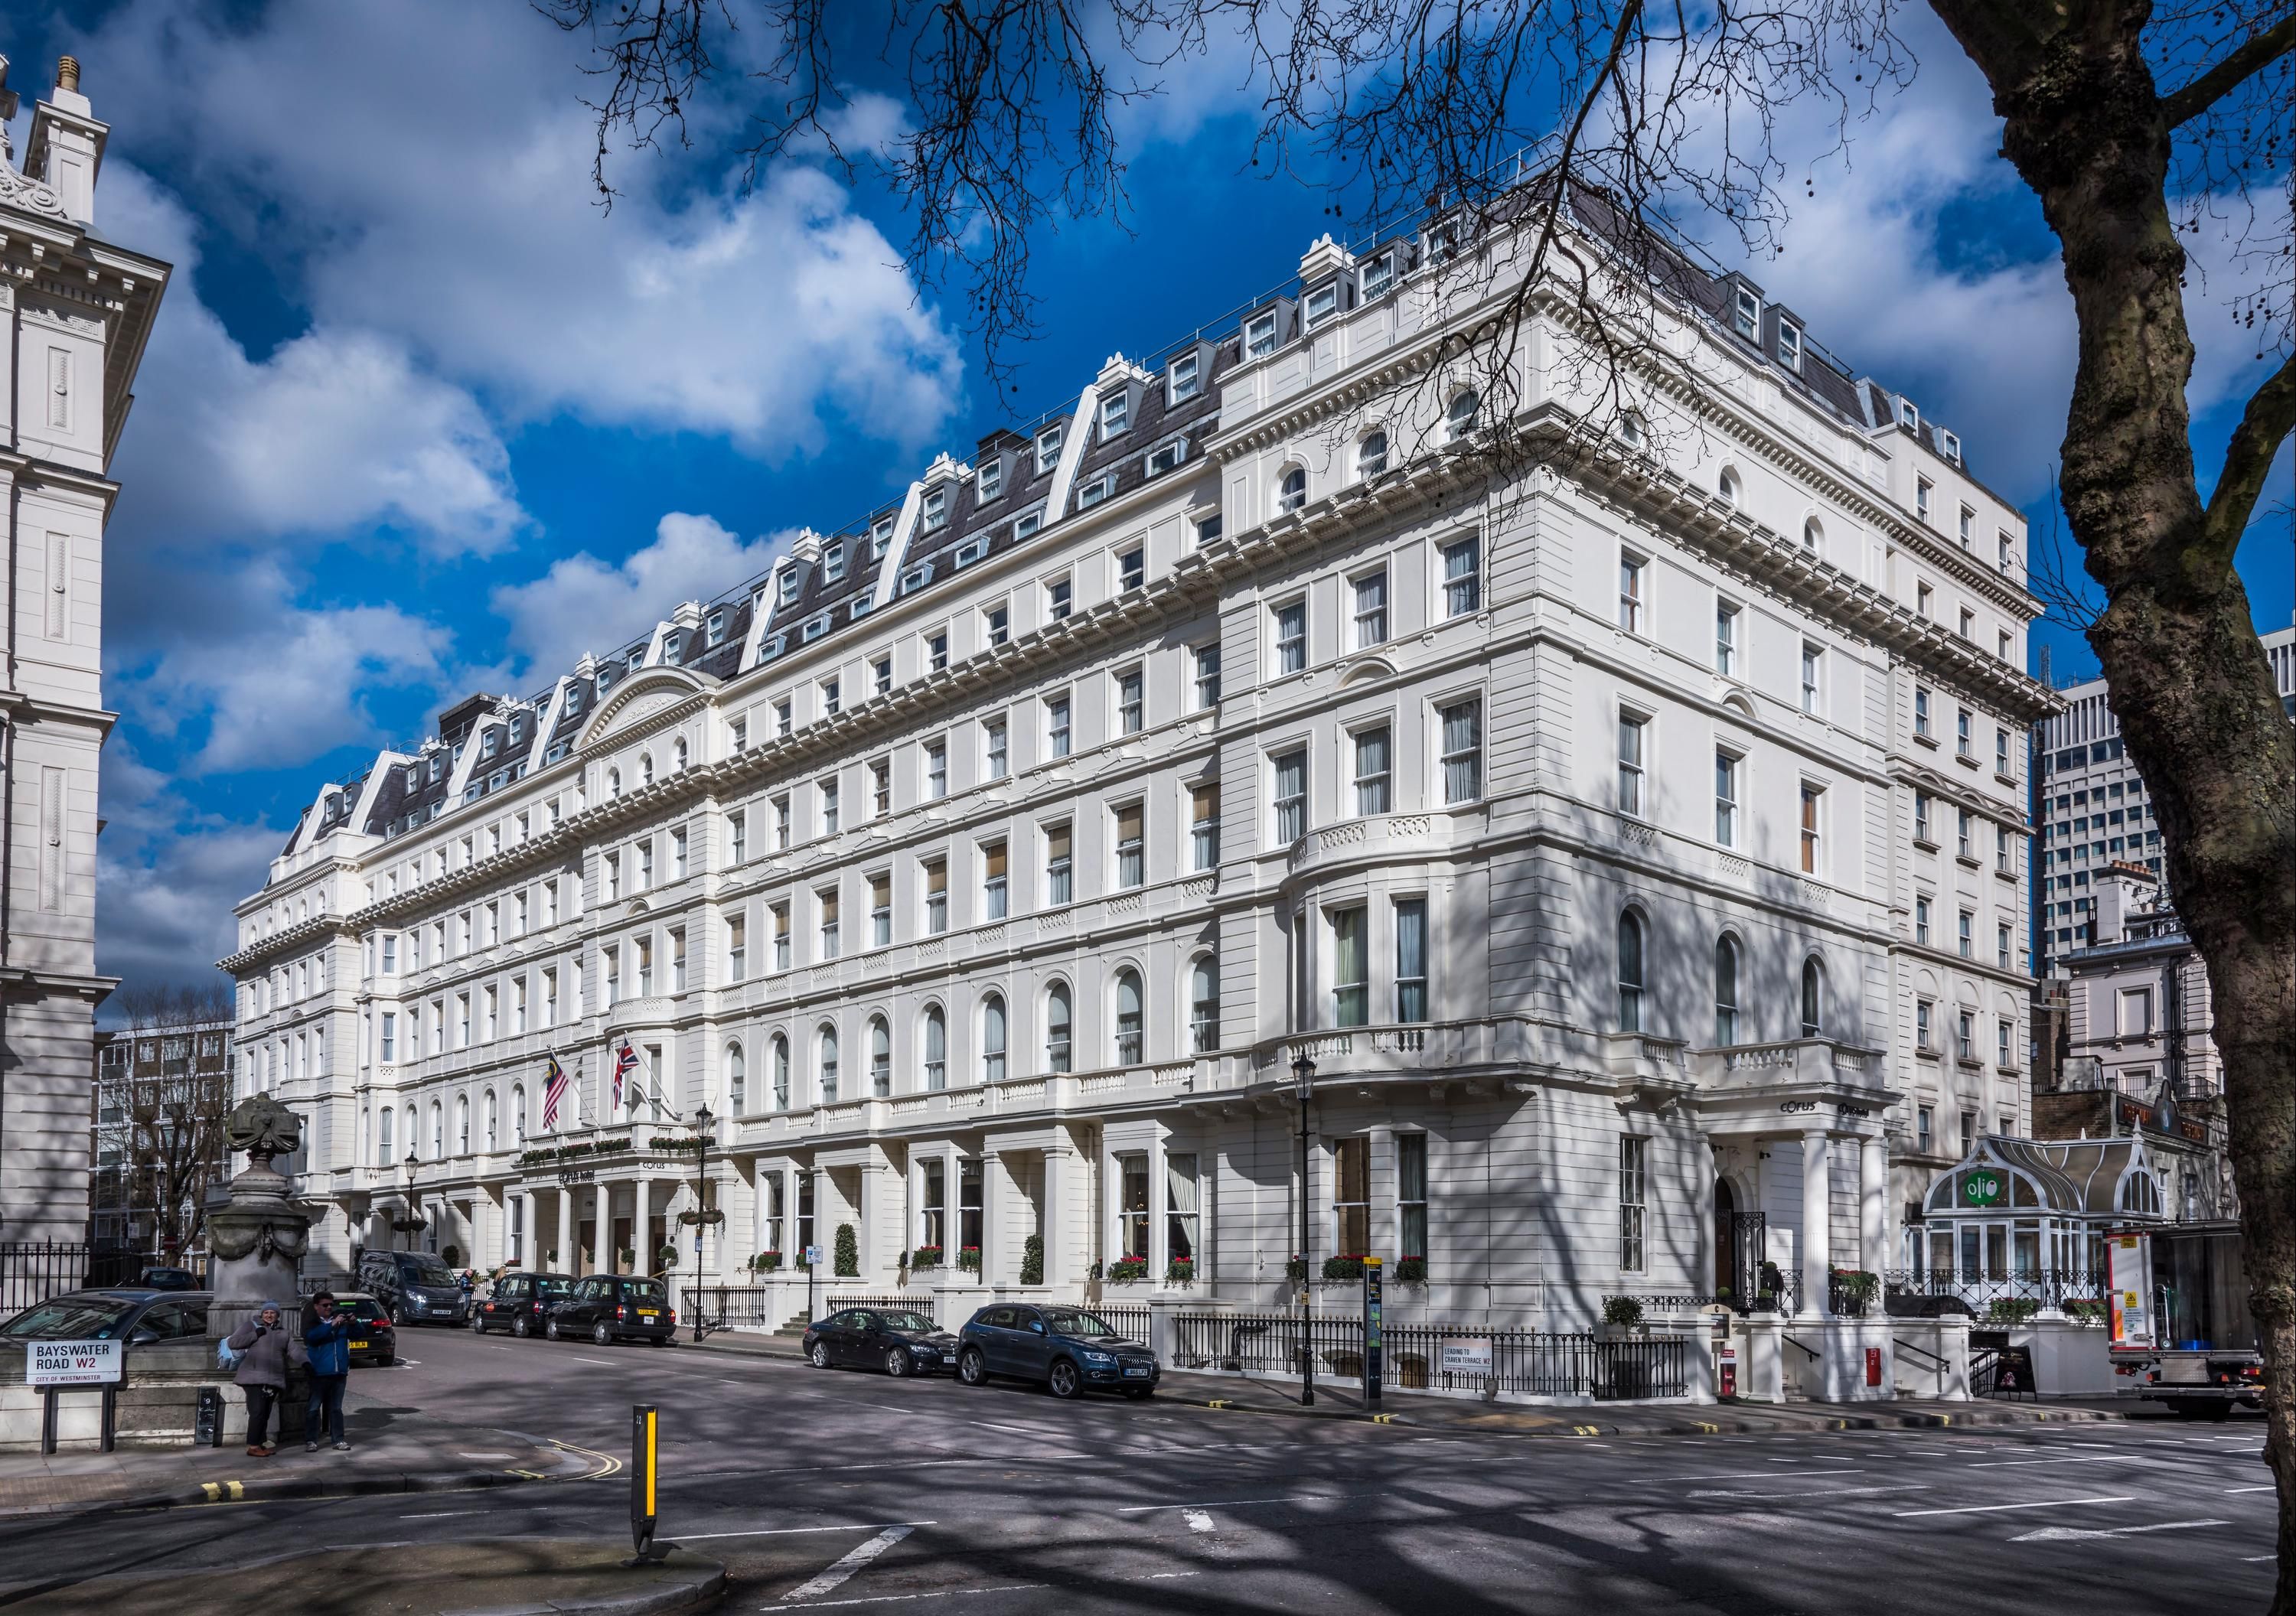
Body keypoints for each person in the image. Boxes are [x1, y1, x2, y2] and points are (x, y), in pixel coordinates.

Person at [225, 1300, 305, 1457]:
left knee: (265, 1413)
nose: (269, 1315)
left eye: (273, 1313)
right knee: (258, 1412)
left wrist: (307, 1363)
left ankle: (260, 1444)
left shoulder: (283, 1333)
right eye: (266, 1313)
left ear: (277, 1316)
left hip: (273, 1379)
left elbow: (295, 1351)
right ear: (262, 1314)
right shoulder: (251, 1326)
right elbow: (232, 1343)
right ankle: (253, 1446)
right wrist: (255, 1335)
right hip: (252, 1378)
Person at [303, 1292, 355, 1452]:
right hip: (319, 1373)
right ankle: (311, 1440)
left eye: (331, 1304)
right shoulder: (313, 1323)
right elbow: (311, 1337)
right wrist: (330, 1325)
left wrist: (354, 1323)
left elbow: (358, 1334)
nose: (329, 1307)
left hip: (339, 1372)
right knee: (313, 1408)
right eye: (325, 1305)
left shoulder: (340, 1322)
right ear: (316, 1306)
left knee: (336, 1408)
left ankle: (338, 1439)